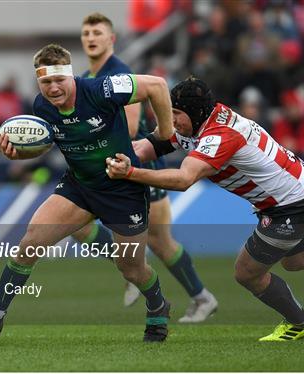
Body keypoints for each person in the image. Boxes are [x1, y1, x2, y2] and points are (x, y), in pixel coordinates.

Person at [105, 77, 304, 341]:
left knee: (247, 272)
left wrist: (130, 174)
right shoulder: (194, 119)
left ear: (195, 114)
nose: (171, 119)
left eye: (176, 114)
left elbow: (184, 179)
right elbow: (153, 143)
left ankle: (300, 323)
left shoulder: (221, 134)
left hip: (294, 203)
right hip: (298, 190)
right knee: (300, 259)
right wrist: (120, 158)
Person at [0, 43, 175, 343]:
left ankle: (158, 305)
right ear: (38, 81)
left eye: (59, 80)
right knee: (29, 243)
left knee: (131, 269)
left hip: (124, 188)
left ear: (71, 76)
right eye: (46, 82)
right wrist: (15, 155)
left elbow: (158, 86)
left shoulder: (102, 89)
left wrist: (164, 136)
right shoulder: (41, 107)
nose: (53, 88)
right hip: (80, 186)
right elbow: (43, 147)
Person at [70, 12, 217, 322]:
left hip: (136, 160)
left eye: (97, 32)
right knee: (78, 227)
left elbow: (132, 124)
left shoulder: (119, 73)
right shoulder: (85, 78)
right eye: (86, 33)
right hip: (108, 165)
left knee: (160, 242)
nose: (91, 38)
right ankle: (133, 267)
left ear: (111, 39)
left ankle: (200, 298)